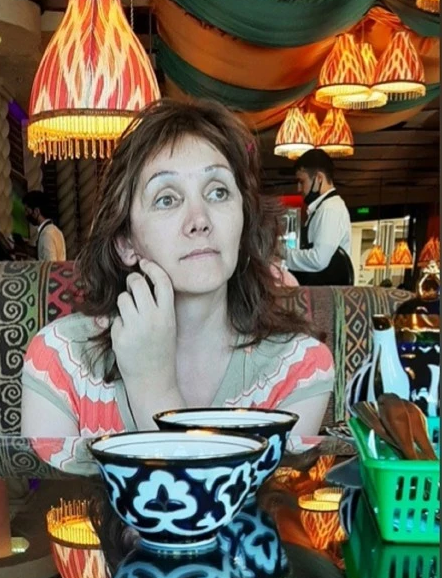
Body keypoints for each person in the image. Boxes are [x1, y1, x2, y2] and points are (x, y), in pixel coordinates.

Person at [22, 100, 334, 470]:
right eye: (167, 199)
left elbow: (242, 507)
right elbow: (62, 501)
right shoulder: (59, 359)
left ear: (244, 218)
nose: (199, 219)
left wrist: (154, 387)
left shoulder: (300, 367)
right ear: (126, 242)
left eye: (218, 192)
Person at [287, 149, 354, 287]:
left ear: (319, 178)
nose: (298, 189)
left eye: (302, 181)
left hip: (328, 294)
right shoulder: (323, 208)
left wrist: (283, 255)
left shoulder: (330, 208)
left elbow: (319, 259)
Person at [22, 191, 67, 261]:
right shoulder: (54, 230)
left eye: (27, 211)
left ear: (36, 211)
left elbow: (50, 263)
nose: (26, 214)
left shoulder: (46, 234)